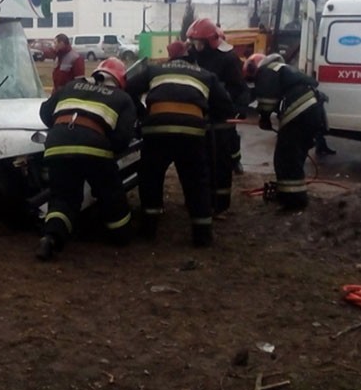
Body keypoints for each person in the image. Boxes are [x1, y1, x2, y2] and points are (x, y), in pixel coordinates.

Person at [126, 50, 235, 247]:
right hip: (191, 132)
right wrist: (206, 114)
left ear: (171, 60)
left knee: (151, 176)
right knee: (196, 182)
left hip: (156, 129)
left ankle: (149, 228)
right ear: (191, 61)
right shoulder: (205, 74)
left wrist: (141, 112)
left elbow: (128, 87)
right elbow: (226, 106)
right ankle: (202, 235)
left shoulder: (154, 70)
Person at [35, 57, 137, 261]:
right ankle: (121, 236)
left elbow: (46, 114)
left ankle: (51, 238)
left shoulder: (71, 86)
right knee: (111, 194)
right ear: (119, 81)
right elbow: (122, 140)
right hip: (94, 148)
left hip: (57, 145)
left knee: (63, 198)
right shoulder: (122, 98)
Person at [243, 53, 327, 211]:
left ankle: (293, 201)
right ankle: (293, 196)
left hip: (300, 113)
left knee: (285, 158)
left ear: (254, 68)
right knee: (294, 158)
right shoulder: (281, 69)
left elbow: (267, 102)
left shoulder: (266, 71)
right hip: (313, 112)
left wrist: (265, 118)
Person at [186, 18, 249, 216]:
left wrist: (232, 105)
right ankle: (201, 201)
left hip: (221, 118)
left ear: (210, 41)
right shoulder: (193, 54)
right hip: (199, 117)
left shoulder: (228, 58)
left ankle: (220, 204)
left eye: (199, 42)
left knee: (220, 164)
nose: (196, 46)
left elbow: (239, 88)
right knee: (199, 164)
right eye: (193, 41)